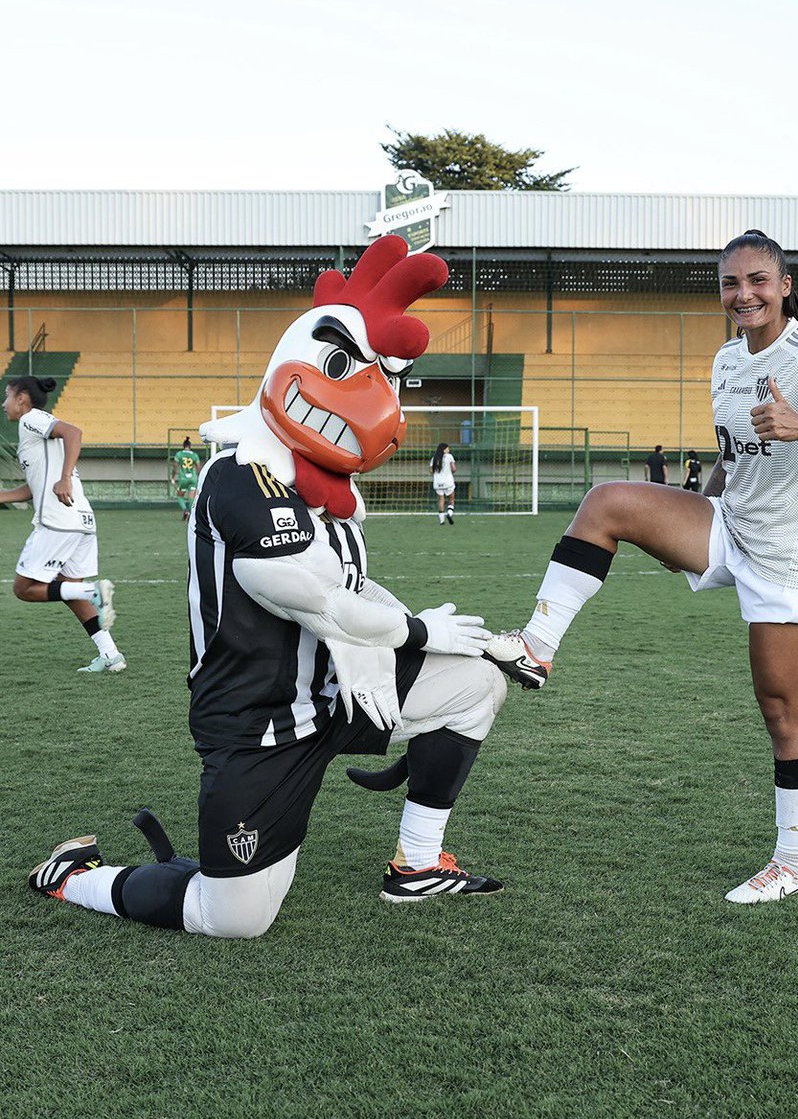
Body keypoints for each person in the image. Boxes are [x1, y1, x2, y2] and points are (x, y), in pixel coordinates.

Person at [28, 235, 507, 938]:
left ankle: (417, 863)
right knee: (234, 921)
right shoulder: (238, 477)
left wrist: (461, 635)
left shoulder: (329, 495)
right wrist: (419, 631)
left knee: (477, 683)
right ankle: (78, 878)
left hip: (338, 694)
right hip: (258, 727)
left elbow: (352, 588)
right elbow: (309, 598)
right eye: (345, 364)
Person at [485, 230, 798, 904]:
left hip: (790, 559)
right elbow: (732, 457)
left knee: (783, 710)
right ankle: (536, 648)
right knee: (608, 501)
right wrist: (692, 523)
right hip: (730, 526)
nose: (745, 293)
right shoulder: (727, 361)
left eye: (759, 280)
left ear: (784, 286)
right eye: (732, 283)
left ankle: (791, 863)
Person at [1, 375, 125, 673]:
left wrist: (65, 477)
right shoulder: (32, 434)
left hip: (58, 521)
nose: (3, 403)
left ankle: (92, 592)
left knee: (24, 588)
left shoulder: (31, 419)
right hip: (81, 521)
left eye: (7, 395)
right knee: (67, 590)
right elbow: (33, 488)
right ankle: (111, 655)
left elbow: (73, 432)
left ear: (22, 399)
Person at [171, 436, 202, 520]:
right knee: (191, 496)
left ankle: (185, 510)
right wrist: (200, 477)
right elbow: (198, 467)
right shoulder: (195, 455)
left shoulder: (179, 454)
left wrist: (173, 476)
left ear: (183, 446)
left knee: (180, 496)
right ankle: (191, 514)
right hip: (193, 478)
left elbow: (175, 466)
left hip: (183, 478)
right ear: (190, 446)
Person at [431, 441, 456, 524]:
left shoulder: (434, 458)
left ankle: (442, 520)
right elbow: (454, 469)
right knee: (451, 498)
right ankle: (449, 513)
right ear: (444, 449)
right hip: (448, 482)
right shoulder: (449, 457)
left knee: (441, 500)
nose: (448, 449)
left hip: (438, 482)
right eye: (447, 448)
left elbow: (431, 471)